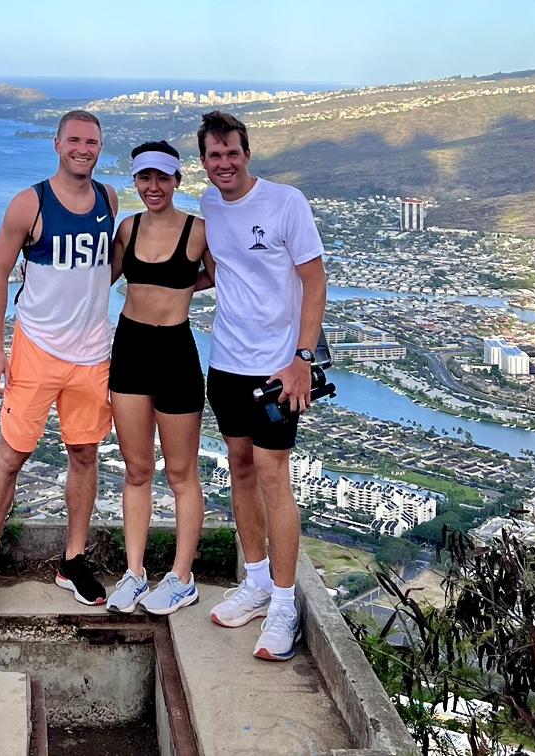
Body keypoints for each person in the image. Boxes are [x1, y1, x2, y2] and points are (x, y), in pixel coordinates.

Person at [0, 109, 118, 626]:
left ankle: (72, 561)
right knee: (10, 456)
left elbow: (102, 270)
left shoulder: (109, 199)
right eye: (74, 140)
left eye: (91, 141)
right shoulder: (31, 203)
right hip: (36, 350)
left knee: (84, 454)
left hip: (93, 355)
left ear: (100, 147)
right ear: (57, 144)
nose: (83, 148)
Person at [197, 109, 328, 663]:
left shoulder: (285, 203)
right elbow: (212, 272)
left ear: (247, 154)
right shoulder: (208, 205)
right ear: (203, 163)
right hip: (226, 362)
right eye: (214, 156)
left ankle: (282, 604)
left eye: (232, 153)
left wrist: (301, 360)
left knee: (276, 477)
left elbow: (315, 277)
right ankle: (253, 580)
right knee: (240, 468)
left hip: (276, 369)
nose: (224, 164)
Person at [103, 140, 213, 617]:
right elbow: (97, 278)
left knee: (182, 472)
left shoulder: (197, 231)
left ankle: (181, 577)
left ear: (177, 181)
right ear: (136, 181)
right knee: (137, 469)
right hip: (129, 348)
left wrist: (181, 286)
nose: (153, 187)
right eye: (144, 178)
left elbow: (221, 275)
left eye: (162, 178)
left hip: (175, 351)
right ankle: (134, 572)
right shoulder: (127, 228)